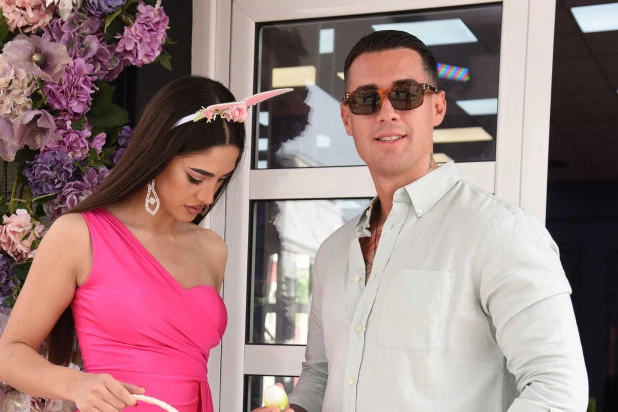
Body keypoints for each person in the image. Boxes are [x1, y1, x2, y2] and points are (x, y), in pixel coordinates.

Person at [254, 30, 588, 412]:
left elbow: (557, 390)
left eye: (406, 93)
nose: (387, 112)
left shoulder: (500, 232)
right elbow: (321, 375)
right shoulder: (333, 251)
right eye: (366, 99)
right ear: (347, 118)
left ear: (437, 107)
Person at [0, 76, 287, 412]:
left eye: (221, 180)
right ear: (158, 156)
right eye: (196, 177)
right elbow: (9, 354)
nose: (208, 197)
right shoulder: (79, 235)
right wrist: (75, 385)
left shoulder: (212, 249)